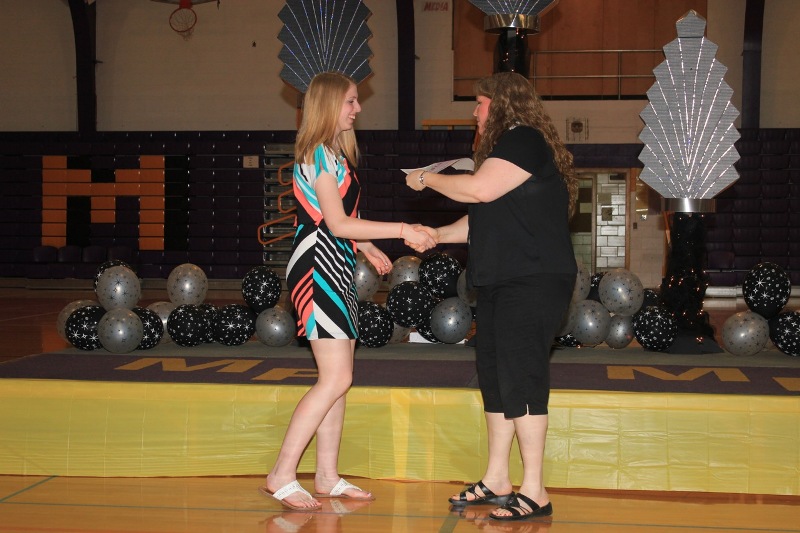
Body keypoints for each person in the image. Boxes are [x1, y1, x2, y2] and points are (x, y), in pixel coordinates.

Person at [406, 71, 578, 521]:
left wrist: (427, 178)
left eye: (480, 104)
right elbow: (480, 218)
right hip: (502, 281)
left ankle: (535, 490)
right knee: (497, 381)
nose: (475, 112)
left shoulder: (523, 139)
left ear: (501, 104)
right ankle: (498, 479)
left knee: (522, 379)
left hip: (532, 281)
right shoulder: (505, 154)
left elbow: (478, 189)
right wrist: (435, 234)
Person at [261, 71, 436, 511]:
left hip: (335, 262)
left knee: (339, 379)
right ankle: (281, 473)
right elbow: (334, 223)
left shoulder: (335, 153)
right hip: (318, 265)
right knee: (336, 377)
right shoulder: (318, 153)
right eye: (351, 101)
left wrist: (368, 246)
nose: (358, 109)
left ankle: (326, 475)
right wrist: (401, 229)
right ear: (329, 105)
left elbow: (339, 220)